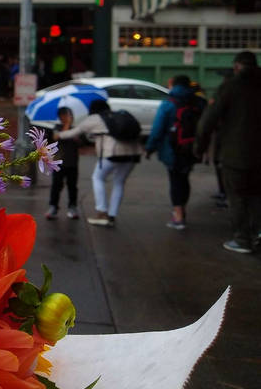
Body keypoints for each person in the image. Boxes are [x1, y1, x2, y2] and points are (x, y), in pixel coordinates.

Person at [195, 51, 261, 254]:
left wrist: (199, 148)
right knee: (257, 196)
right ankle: (258, 234)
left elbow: (207, 121)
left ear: (236, 67)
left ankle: (242, 239)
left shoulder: (230, 87)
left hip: (237, 154)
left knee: (238, 196)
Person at [56, 99, 141, 227]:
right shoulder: (116, 116)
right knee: (119, 182)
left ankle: (102, 213)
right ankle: (111, 215)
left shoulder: (95, 118)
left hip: (113, 153)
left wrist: (59, 135)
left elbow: (74, 132)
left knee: (98, 178)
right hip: (133, 154)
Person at [145, 75, 205, 230]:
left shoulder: (168, 103)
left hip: (172, 148)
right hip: (191, 148)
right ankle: (182, 210)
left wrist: (150, 147)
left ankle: (178, 216)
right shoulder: (198, 101)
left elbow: (157, 129)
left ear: (173, 85)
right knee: (184, 178)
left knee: (175, 180)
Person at [46, 106, 80, 220]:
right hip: (58, 163)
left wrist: (74, 133)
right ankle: (53, 207)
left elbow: (81, 141)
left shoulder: (76, 129)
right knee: (56, 185)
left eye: (69, 115)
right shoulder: (57, 127)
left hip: (72, 162)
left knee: (72, 186)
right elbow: (56, 137)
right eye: (65, 115)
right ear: (60, 117)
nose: (68, 117)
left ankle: (72, 207)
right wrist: (67, 125)